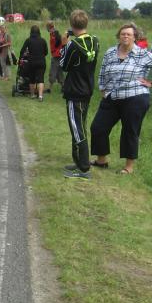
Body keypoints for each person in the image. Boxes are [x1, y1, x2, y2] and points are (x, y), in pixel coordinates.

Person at [90, 23, 152, 174]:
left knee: (130, 131)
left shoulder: (142, 54)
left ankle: (128, 167)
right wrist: (103, 88)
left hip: (135, 97)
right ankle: (101, 160)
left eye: (129, 34)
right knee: (98, 127)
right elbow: (103, 71)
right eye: (123, 34)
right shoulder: (110, 52)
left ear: (135, 37)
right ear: (119, 36)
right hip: (112, 96)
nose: (125, 36)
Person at [59, 10, 99, 179]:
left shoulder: (73, 45)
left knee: (77, 129)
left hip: (75, 91)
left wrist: (64, 45)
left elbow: (64, 66)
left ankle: (84, 169)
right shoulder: (95, 41)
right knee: (80, 126)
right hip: (87, 89)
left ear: (72, 25)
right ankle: (78, 161)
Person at [18, 25, 48, 101]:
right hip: (41, 62)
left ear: (31, 32)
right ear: (39, 32)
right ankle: (40, 96)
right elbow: (46, 52)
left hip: (31, 62)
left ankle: (32, 95)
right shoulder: (43, 40)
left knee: (32, 79)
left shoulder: (28, 40)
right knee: (41, 79)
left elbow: (22, 51)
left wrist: (21, 58)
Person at [45, 21, 65, 94]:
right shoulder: (53, 33)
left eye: (47, 27)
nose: (47, 29)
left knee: (52, 71)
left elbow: (59, 44)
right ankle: (63, 87)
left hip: (56, 55)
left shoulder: (55, 34)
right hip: (58, 55)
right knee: (59, 71)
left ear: (50, 27)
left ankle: (49, 88)